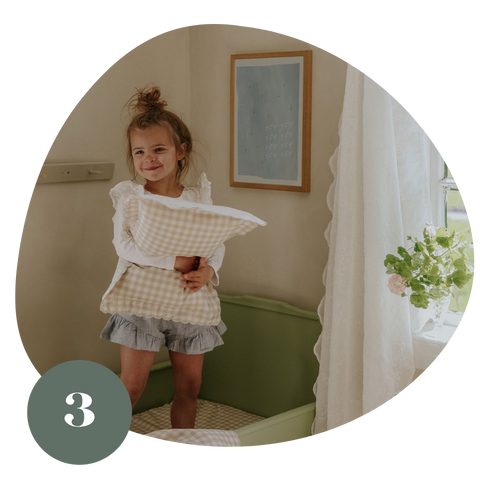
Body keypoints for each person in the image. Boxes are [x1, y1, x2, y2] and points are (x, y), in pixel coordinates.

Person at [100, 86, 226, 429]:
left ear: (180, 151)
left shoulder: (199, 198)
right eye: (139, 152)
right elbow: (124, 246)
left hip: (188, 301)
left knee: (190, 386)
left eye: (158, 149)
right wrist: (177, 262)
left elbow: (215, 240)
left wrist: (208, 269)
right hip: (142, 301)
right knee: (131, 387)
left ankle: (182, 438)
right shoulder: (131, 199)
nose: (149, 159)